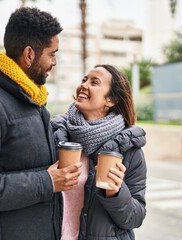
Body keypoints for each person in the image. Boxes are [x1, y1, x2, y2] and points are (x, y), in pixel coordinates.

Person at [0, 7, 82, 240]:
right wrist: (47, 181)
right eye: (52, 54)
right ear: (29, 54)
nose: (54, 62)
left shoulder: (33, 101)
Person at [52, 64, 147, 240]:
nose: (84, 85)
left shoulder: (129, 150)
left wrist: (115, 193)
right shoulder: (56, 135)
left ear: (110, 100)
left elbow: (135, 218)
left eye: (94, 82)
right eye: (84, 80)